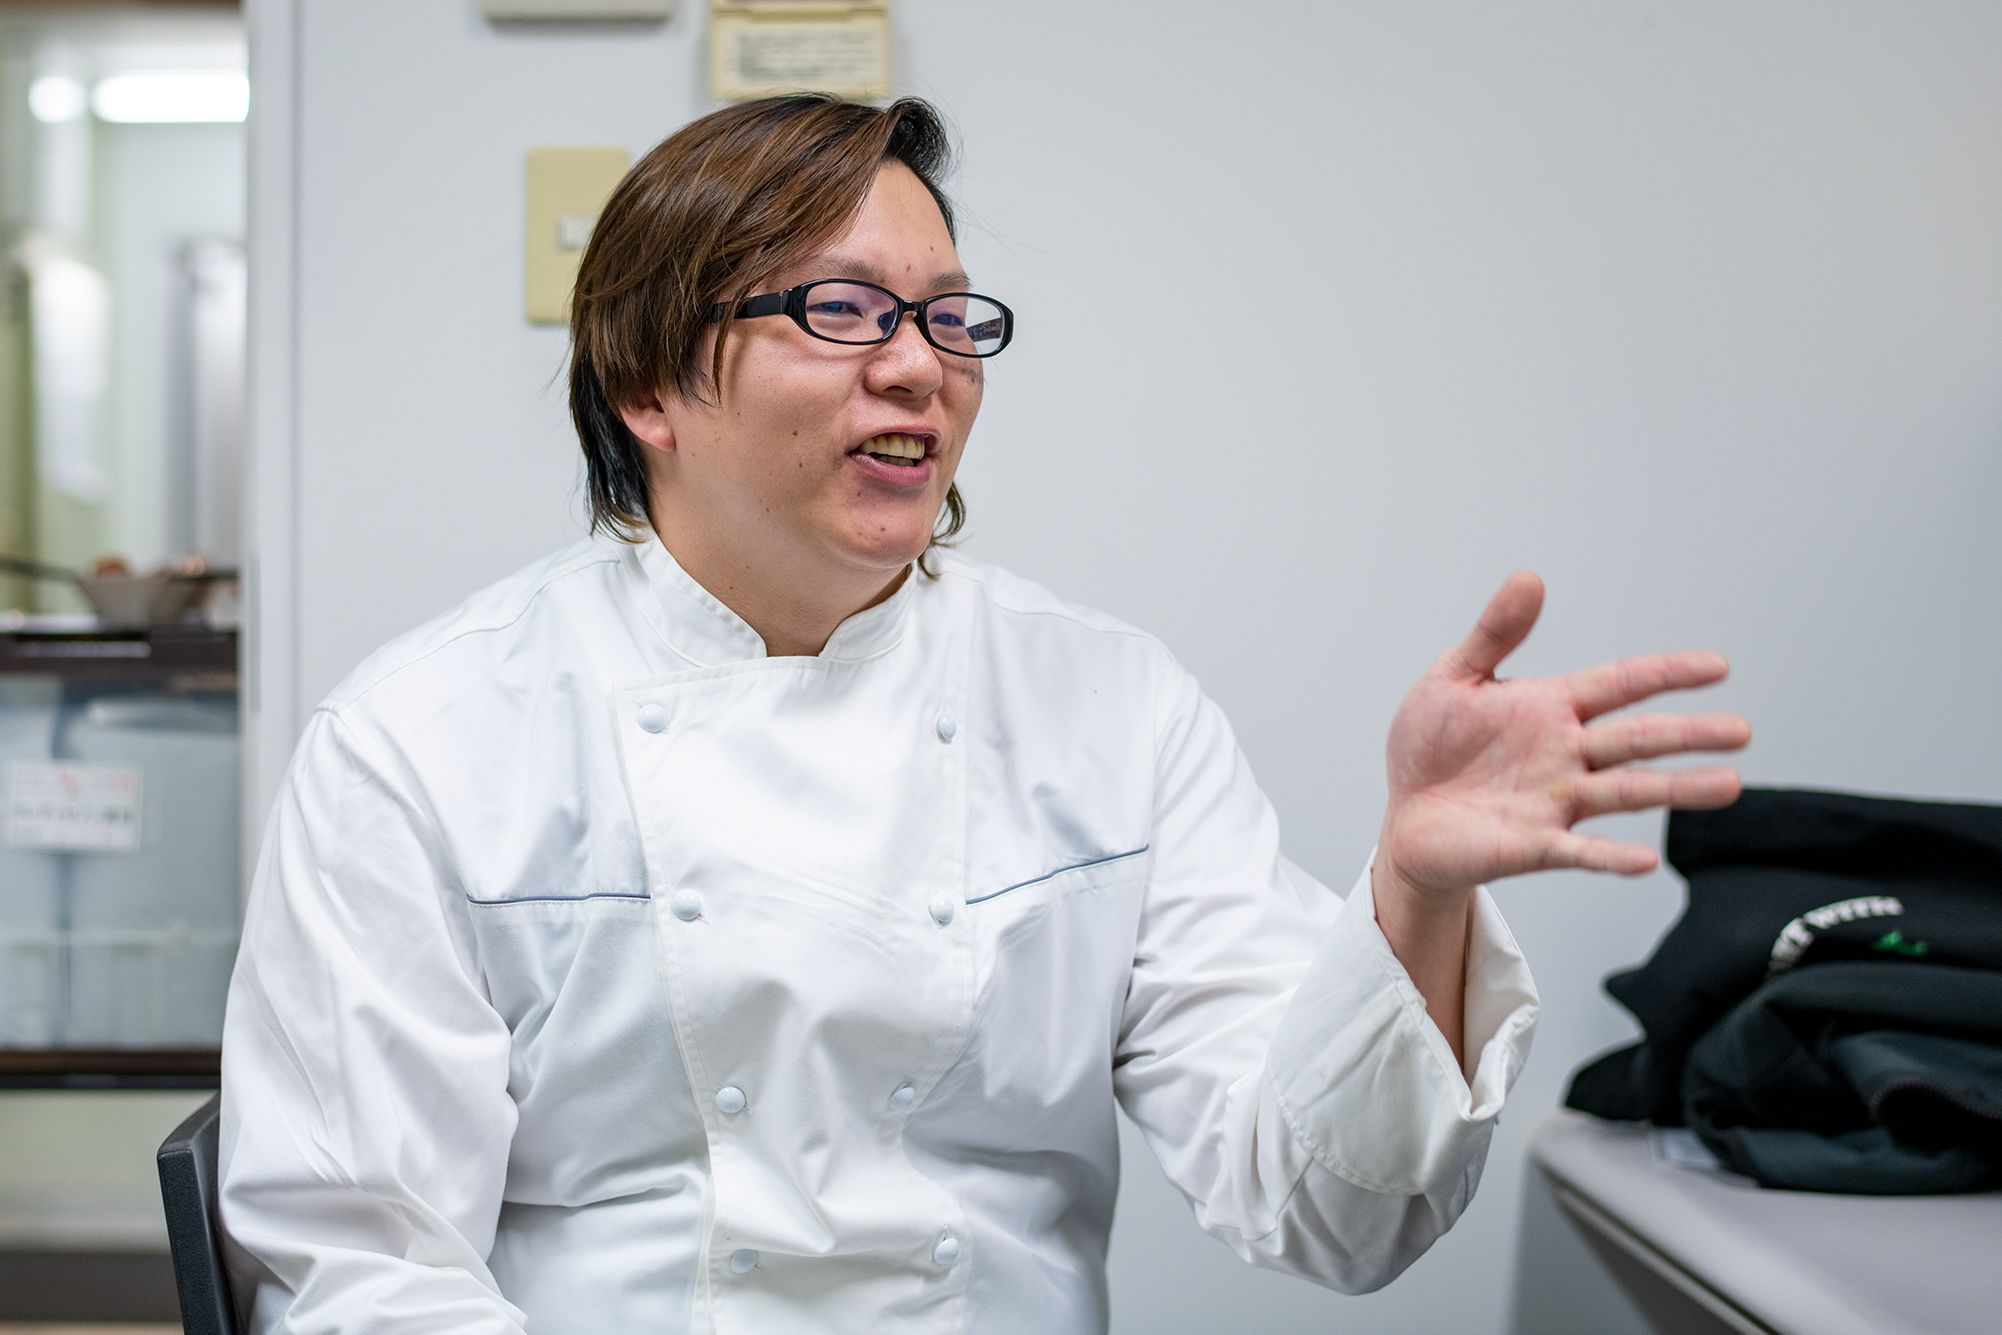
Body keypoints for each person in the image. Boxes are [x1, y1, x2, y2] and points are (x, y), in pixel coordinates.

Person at [218, 96, 1749, 1335]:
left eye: (951, 320)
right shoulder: (424, 742)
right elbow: (364, 1269)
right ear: (646, 384)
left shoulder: (1108, 709)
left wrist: (1412, 893)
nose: (918, 368)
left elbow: (1330, 1214)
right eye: (841, 309)